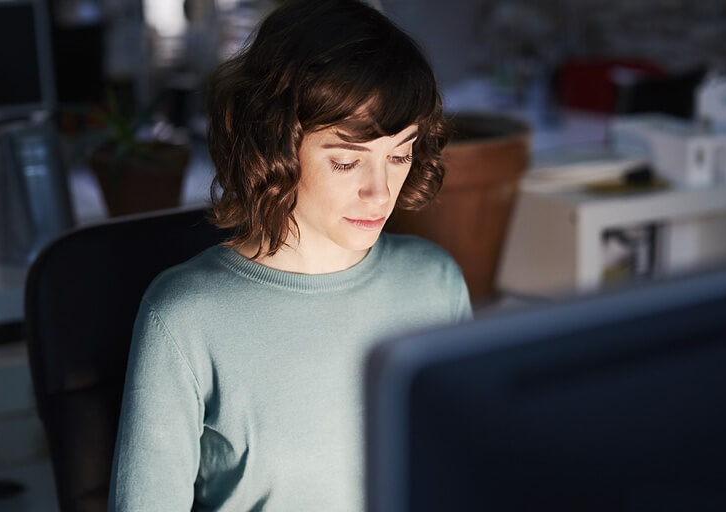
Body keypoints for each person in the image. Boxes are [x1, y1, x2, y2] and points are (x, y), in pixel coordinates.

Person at [108, 0, 472, 510]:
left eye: (399, 155)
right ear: (272, 147)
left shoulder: (435, 282)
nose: (380, 190)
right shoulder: (185, 318)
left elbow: (461, 472)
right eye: (347, 162)